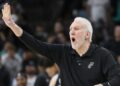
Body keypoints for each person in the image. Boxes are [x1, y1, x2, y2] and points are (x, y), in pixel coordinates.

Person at [2, 3, 120, 86]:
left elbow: (117, 79)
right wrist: (12, 24)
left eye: (76, 29)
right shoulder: (63, 52)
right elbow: (36, 44)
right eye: (70, 29)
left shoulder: (102, 55)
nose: (71, 32)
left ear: (87, 35)